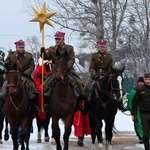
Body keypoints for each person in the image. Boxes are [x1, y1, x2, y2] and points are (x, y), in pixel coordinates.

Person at [40, 31, 85, 112]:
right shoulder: (52, 49)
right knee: (46, 85)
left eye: (59, 39)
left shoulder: (69, 48)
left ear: (63, 39)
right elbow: (46, 57)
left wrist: (67, 67)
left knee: (78, 82)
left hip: (68, 70)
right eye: (56, 39)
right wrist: (42, 52)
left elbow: (72, 59)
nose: (57, 40)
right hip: (55, 71)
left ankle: (79, 102)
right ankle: (46, 103)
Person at [84, 39, 127, 112]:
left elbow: (111, 68)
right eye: (101, 47)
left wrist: (107, 75)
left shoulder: (109, 56)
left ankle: (120, 104)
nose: (102, 48)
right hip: (96, 76)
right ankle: (85, 105)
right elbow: (91, 67)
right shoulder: (94, 56)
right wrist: (94, 74)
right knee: (87, 88)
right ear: (98, 47)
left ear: (106, 47)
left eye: (103, 47)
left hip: (107, 76)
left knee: (119, 89)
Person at [0, 40, 39, 116]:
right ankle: (1, 106)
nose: (21, 49)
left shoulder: (29, 56)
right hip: (13, 76)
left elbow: (32, 66)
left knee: (32, 89)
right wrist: (8, 71)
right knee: (4, 89)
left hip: (24, 75)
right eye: (20, 47)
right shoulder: (11, 55)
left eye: (22, 47)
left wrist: (26, 73)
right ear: (16, 47)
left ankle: (34, 107)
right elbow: (6, 64)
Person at [132, 73, 150, 150]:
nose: (147, 81)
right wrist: (134, 114)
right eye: (146, 79)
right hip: (144, 114)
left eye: (149, 79)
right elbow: (135, 102)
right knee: (145, 133)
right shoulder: (140, 89)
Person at [127, 77, 144, 144]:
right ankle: (141, 137)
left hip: (145, 109)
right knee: (138, 123)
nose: (140, 83)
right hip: (137, 110)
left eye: (141, 82)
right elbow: (130, 101)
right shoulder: (134, 91)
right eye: (139, 82)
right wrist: (131, 109)